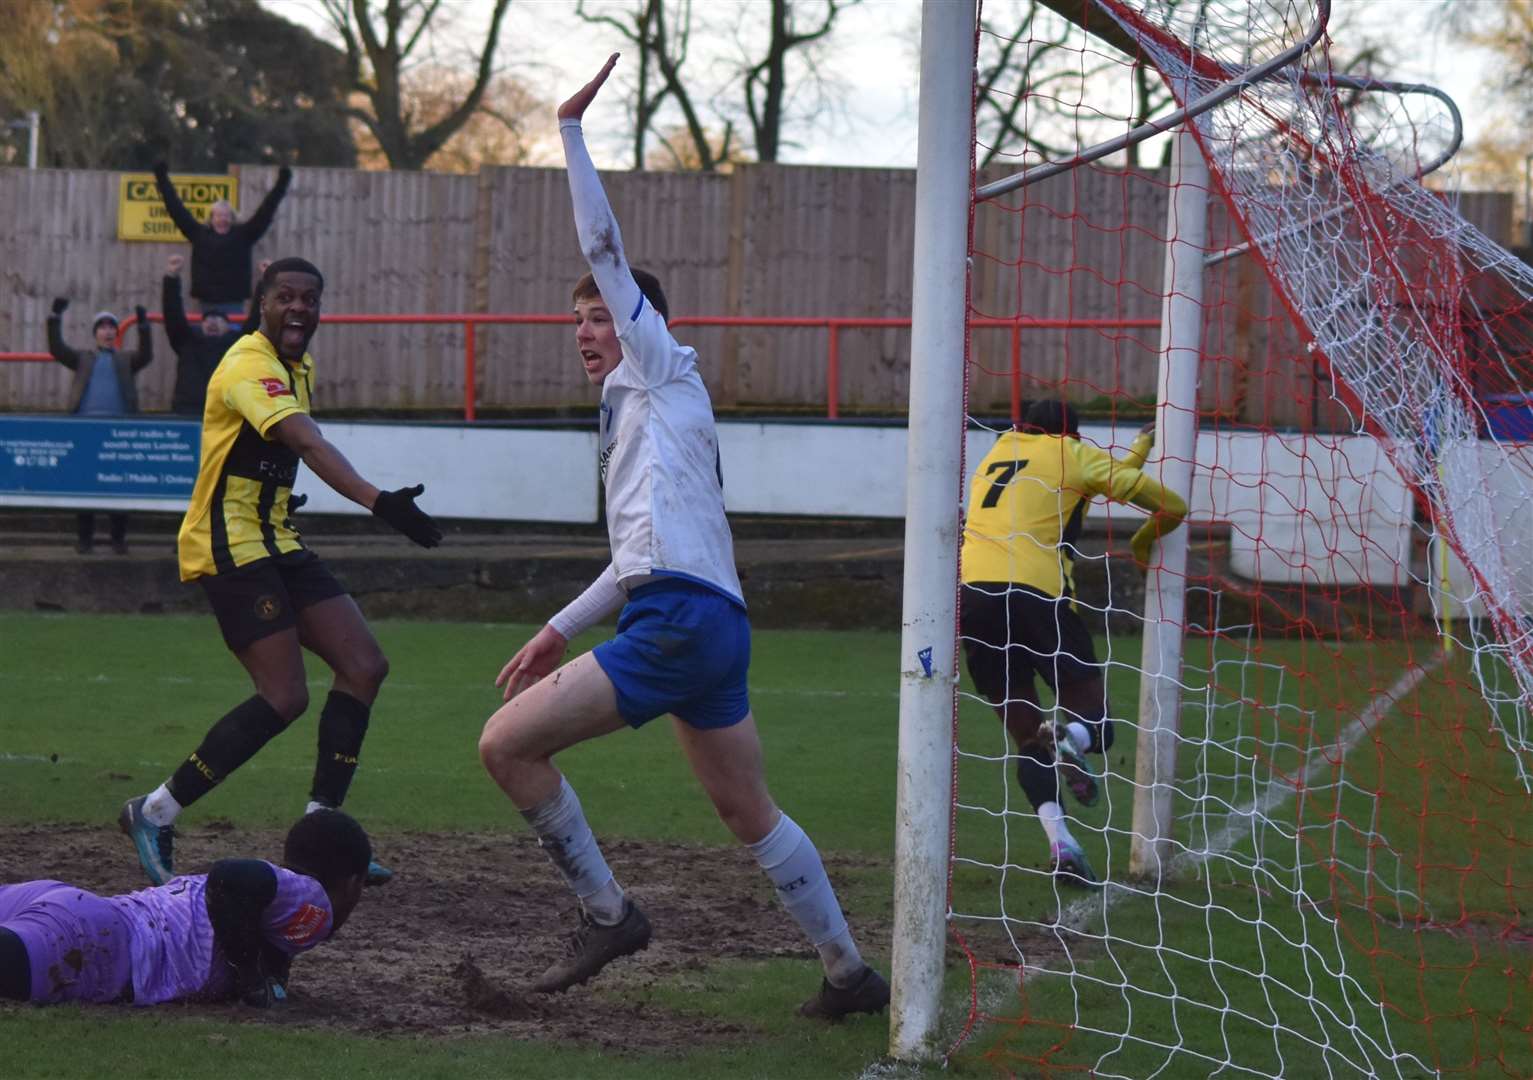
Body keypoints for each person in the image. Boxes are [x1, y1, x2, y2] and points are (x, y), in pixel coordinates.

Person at [476, 54, 889, 1022]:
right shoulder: (645, 416)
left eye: (598, 318)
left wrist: (570, 132)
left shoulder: (660, 369)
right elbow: (638, 557)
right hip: (714, 623)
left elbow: (606, 248)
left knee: (505, 748)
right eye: (575, 322)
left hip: (678, 623)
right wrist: (556, 627)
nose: (586, 333)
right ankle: (849, 974)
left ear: (638, 323)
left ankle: (606, 913)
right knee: (750, 812)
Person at [118, 258, 443, 891]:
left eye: (310, 299)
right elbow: (307, 443)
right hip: (231, 545)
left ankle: (322, 832)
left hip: (276, 538)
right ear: (263, 304)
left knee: (364, 666)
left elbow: (260, 455)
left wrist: (278, 498)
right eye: (286, 297)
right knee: (284, 696)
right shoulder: (248, 363)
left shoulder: (300, 366)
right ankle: (154, 813)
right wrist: (381, 502)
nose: (299, 308)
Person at [959, 400, 1186, 888]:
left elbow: (1097, 479)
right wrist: (1144, 544)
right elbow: (1169, 504)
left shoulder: (998, 451)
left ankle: (1063, 845)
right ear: (1072, 433)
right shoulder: (1074, 454)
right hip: (1037, 597)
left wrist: (1140, 447)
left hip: (974, 599)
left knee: (1028, 741)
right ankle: (1071, 741)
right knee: (1098, 727)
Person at [0, 810, 369, 1007]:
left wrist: (264, 971)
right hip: (93, 948)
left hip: (80, 913)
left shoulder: (277, 912)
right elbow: (231, 876)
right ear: (354, 884)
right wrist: (251, 981)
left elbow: (249, 916)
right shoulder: (315, 901)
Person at [46, 297, 153, 555]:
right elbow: (57, 349)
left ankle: (118, 540)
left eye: (111, 327)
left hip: (120, 435)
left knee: (120, 489)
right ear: (95, 333)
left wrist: (143, 327)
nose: (107, 331)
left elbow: (146, 355)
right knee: (85, 490)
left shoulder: (126, 360)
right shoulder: (82, 358)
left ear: (117, 333)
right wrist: (55, 317)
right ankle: (85, 540)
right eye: (102, 327)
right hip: (85, 433)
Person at [153, 162, 292, 317]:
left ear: (232, 218)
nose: (222, 218)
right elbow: (176, 209)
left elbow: (266, 211)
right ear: (211, 218)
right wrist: (162, 178)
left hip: (233, 304)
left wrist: (282, 182)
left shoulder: (244, 235)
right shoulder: (199, 234)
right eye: (218, 215)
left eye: (226, 215)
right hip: (205, 304)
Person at [163, 254, 241, 417]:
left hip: (224, 414)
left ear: (228, 327)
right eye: (207, 320)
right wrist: (171, 278)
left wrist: (265, 283)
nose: (212, 322)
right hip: (187, 413)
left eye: (219, 320)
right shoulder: (186, 342)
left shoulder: (237, 347)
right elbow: (173, 314)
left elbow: (257, 320)